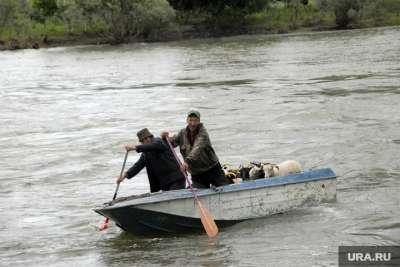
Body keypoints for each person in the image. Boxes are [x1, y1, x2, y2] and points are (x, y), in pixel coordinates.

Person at [161, 110, 230, 188]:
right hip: (196, 173)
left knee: (225, 189)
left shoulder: (203, 133)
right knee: (199, 194)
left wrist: (187, 162)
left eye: (195, 121)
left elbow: (197, 149)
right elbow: (171, 144)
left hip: (212, 169)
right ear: (187, 120)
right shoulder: (182, 133)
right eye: (191, 120)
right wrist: (164, 138)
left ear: (199, 121)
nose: (193, 123)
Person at [117, 128, 186, 192]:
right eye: (144, 139)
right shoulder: (145, 154)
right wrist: (124, 176)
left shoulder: (159, 141)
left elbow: (154, 146)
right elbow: (137, 166)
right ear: (141, 142)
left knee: (173, 198)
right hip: (164, 182)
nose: (147, 140)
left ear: (151, 137)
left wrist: (135, 147)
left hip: (176, 178)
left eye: (148, 137)